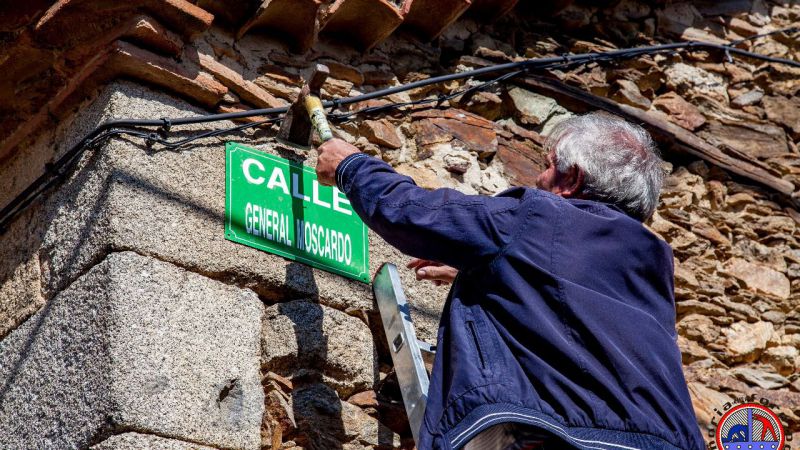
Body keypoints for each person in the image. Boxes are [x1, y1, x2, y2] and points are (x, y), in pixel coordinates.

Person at [316, 112, 705, 450]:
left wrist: (351, 166)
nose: (538, 177)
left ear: (571, 179)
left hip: (549, 435)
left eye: (548, 165)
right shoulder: (652, 260)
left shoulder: (538, 216)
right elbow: (575, 301)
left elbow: (412, 213)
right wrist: (497, 269)